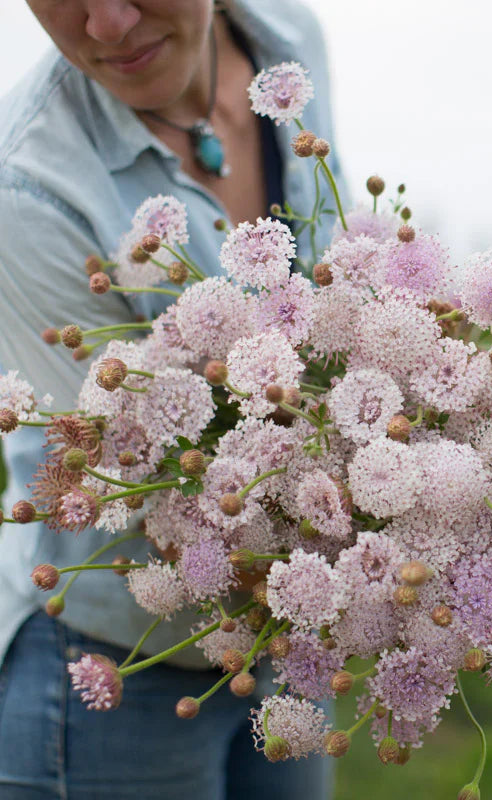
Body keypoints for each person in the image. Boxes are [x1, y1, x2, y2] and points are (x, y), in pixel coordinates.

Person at [0, 1, 347, 797]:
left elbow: (337, 299)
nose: (110, 24)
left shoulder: (289, 45)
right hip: (117, 670)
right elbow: (118, 480)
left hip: (288, 631)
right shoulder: (26, 190)